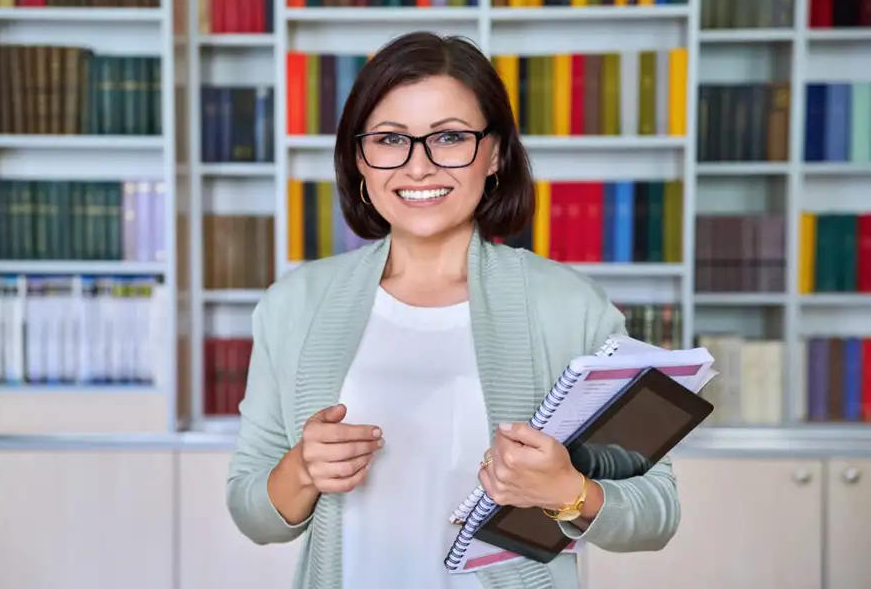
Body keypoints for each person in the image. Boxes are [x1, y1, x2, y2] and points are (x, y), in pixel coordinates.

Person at [226, 31, 680, 589]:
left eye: (449, 137)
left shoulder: (570, 306)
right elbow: (252, 512)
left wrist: (568, 491)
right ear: (358, 159)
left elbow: (657, 507)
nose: (418, 167)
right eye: (391, 139)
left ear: (493, 155)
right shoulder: (293, 305)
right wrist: (301, 470)